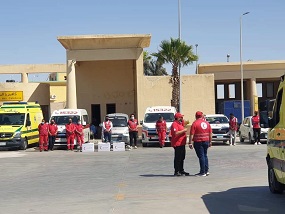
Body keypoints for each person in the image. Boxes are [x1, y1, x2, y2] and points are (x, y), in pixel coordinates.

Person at [189, 111, 212, 177]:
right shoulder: (207, 123)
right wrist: (210, 141)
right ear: (201, 116)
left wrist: (190, 142)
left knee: (201, 156)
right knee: (205, 155)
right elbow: (210, 133)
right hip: (206, 141)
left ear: (196, 116)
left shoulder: (195, 123)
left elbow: (191, 134)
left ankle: (202, 172)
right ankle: (206, 170)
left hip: (198, 141)